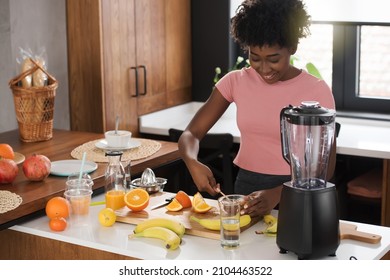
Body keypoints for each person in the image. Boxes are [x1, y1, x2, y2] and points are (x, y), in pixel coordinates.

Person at [178, 0, 336, 218]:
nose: (264, 69)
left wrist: (278, 194)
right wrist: (193, 162)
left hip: (299, 192)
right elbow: (191, 134)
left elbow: (326, 167)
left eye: (273, 59)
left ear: (292, 48)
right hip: (247, 189)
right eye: (255, 58)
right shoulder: (235, 81)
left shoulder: (316, 91)